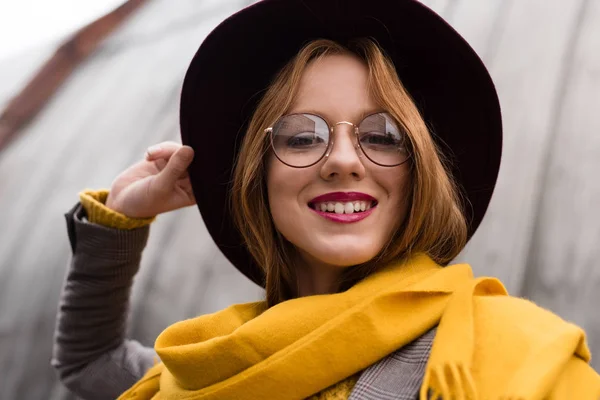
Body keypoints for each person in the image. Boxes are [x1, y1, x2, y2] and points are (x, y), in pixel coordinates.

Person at [51, 0, 600, 399]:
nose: (342, 159)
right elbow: (90, 364)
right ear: (257, 175)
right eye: (301, 136)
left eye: (382, 135)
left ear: (419, 173)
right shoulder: (213, 369)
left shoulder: (522, 360)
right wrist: (123, 219)